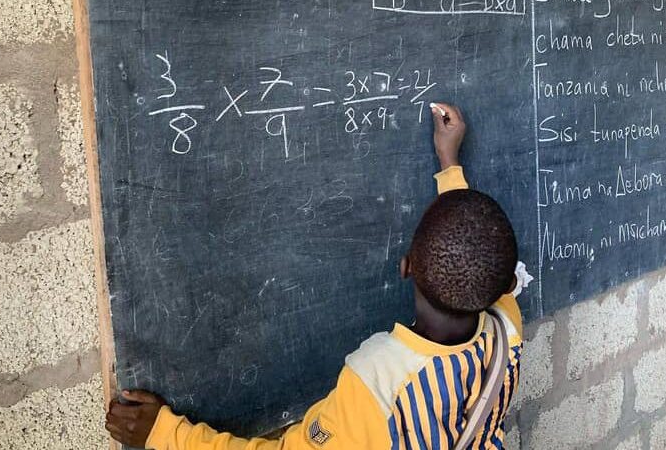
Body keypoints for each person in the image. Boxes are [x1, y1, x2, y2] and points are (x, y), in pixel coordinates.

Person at [105, 104, 524, 450]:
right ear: (507, 286)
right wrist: (450, 165)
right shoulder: (508, 328)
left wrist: (164, 433)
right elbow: (472, 250)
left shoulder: (377, 383)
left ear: (405, 266)